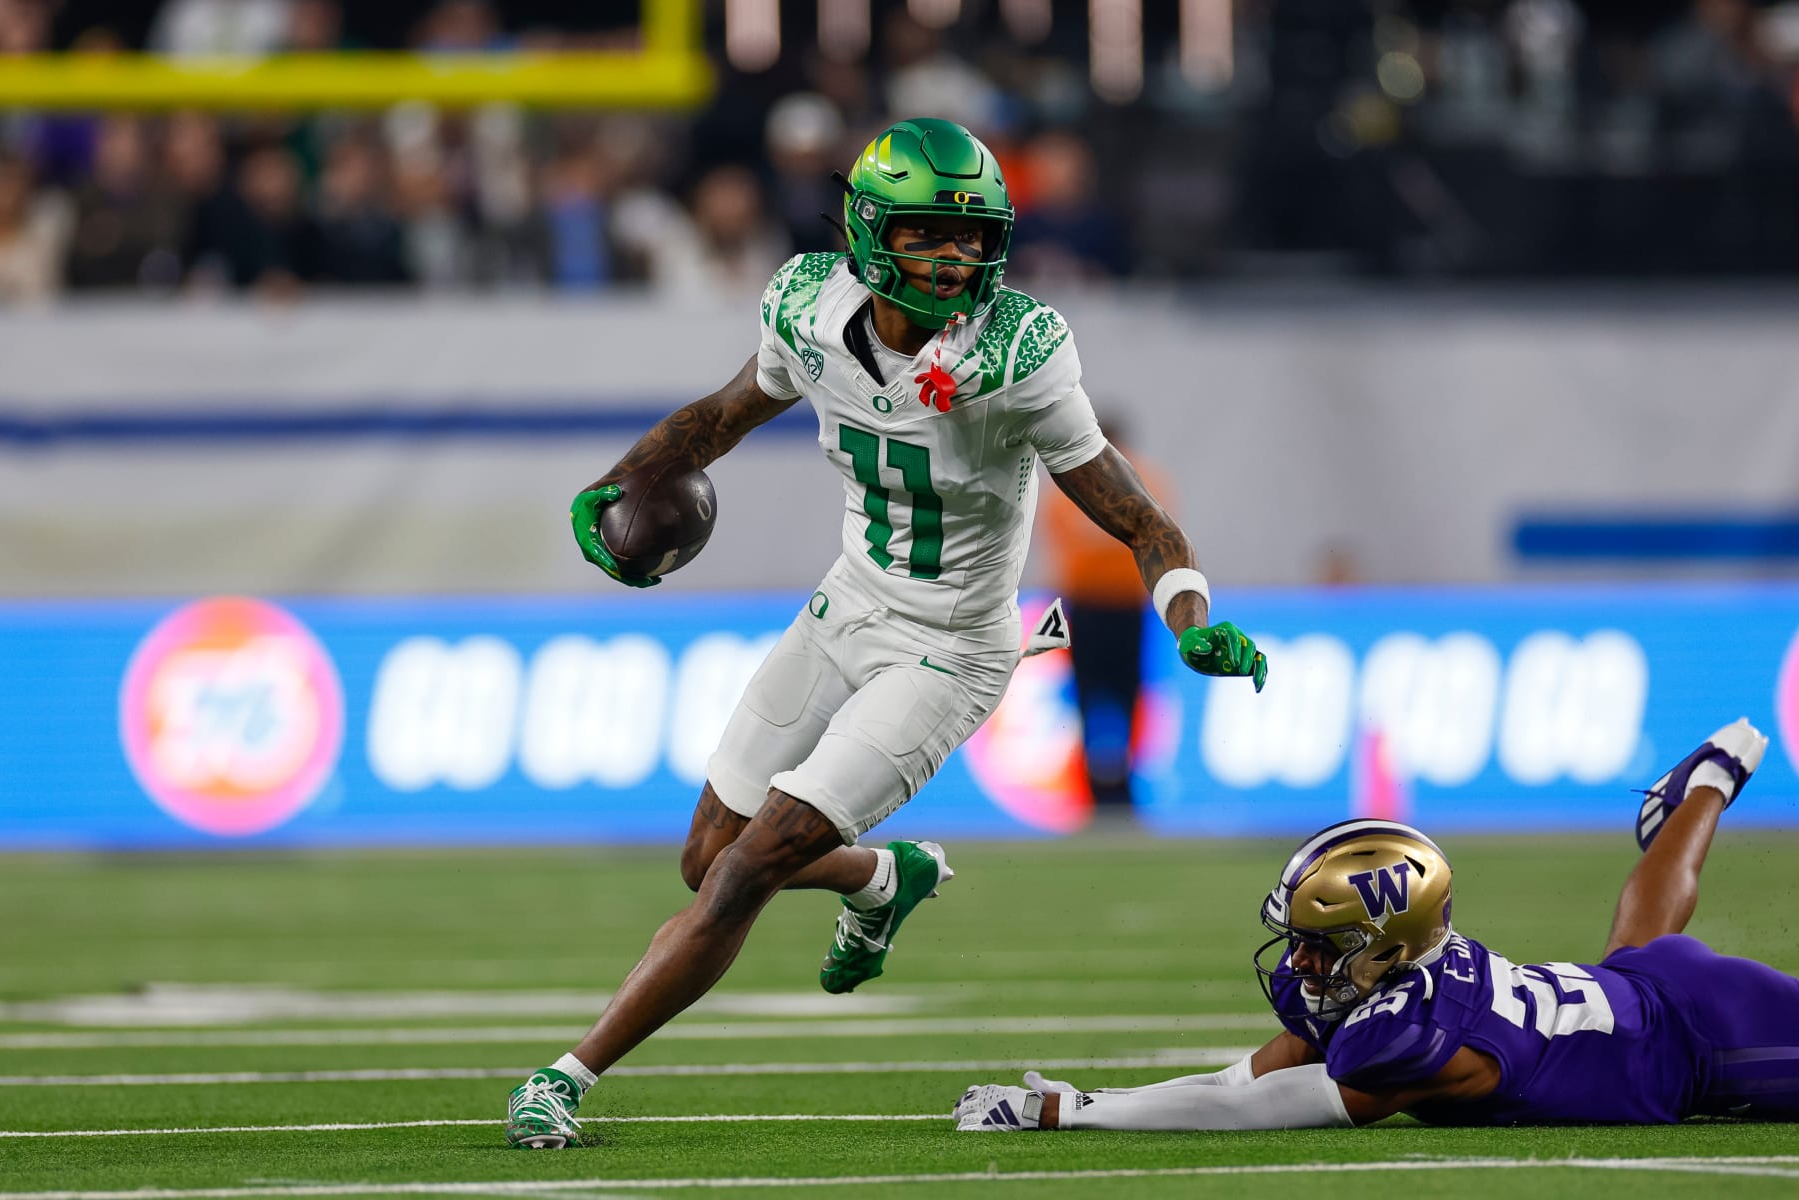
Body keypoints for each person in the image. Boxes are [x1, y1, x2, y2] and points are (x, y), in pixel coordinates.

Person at [504, 117, 1269, 1149]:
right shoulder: (810, 303)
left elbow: (1138, 518)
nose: (956, 258)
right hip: (844, 607)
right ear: (869, 233)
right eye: (927, 234)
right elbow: (721, 417)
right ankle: (881, 875)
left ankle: (567, 1075)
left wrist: (1190, 616)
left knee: (744, 870)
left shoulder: (1018, 349)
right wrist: (618, 482)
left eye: (972, 237)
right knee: (707, 856)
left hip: (950, 649)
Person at [953, 717, 1799, 1131]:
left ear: (1388, 945)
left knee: (1645, 952)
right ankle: (1711, 781)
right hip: (1639, 997)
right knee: (1642, 950)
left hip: (1709, 1038)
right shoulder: (1386, 986)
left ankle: (1710, 785)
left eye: (1322, 946)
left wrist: (1072, 1112)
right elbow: (1242, 1077)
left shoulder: (1413, 1035)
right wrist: (1089, 1100)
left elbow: (1249, 1111)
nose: (1301, 963)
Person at [1038, 419, 1172, 816]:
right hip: (1091, 606)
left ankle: (1123, 787)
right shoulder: (1071, 485)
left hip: (1125, 607)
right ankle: (1094, 788)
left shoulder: (1141, 481)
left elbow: (1152, 535)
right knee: (1088, 697)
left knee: (1125, 696)